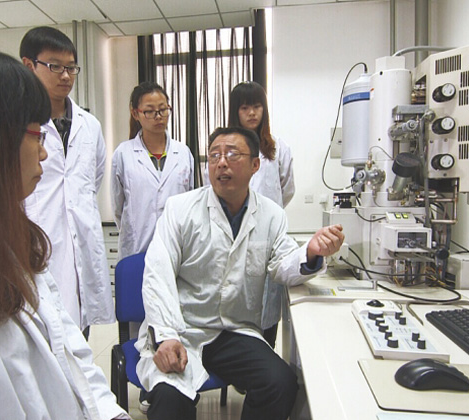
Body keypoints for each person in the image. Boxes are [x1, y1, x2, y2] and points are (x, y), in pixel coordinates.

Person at [0, 40, 130, 420]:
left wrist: (113, 414)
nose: (44, 152)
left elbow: (71, 354)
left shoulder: (11, 245)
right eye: (37, 134)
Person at [136, 126, 344, 420]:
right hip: (182, 328)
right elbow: (158, 273)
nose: (221, 163)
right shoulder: (180, 209)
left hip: (231, 331)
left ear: (255, 164)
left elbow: (282, 263)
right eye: (214, 156)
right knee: (170, 400)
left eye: (232, 154)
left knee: (280, 383)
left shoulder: (271, 215)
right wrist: (166, 336)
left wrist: (311, 252)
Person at [20, 26, 114, 336]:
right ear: (28, 66)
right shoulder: (13, 123)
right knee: (42, 336)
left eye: (71, 68)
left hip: (81, 250)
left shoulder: (90, 125)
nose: (65, 76)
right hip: (36, 247)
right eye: (55, 66)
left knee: (79, 338)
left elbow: (92, 179)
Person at [205, 81, 295, 348]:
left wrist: (266, 214)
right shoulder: (224, 151)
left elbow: (287, 188)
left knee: (266, 308)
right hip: (232, 233)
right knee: (232, 306)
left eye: (257, 106)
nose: (252, 113)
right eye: (245, 108)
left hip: (266, 235)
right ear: (236, 111)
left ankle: (264, 354)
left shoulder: (277, 149)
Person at [110, 82, 194, 261]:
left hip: (176, 248)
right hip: (137, 248)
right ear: (136, 114)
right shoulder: (123, 154)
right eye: (150, 111)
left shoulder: (183, 153)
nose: (158, 117)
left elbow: (189, 203)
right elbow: (118, 208)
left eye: (163, 110)